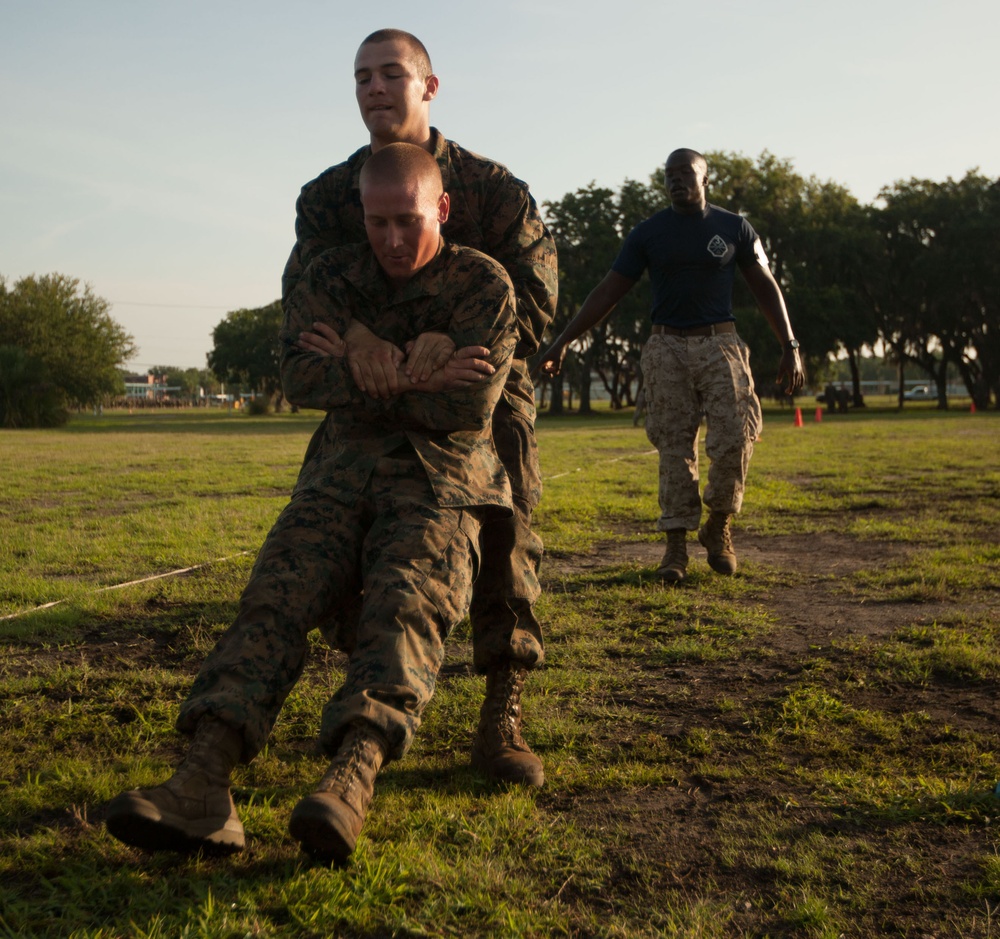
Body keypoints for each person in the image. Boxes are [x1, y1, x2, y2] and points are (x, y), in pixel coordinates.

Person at [105, 143, 518, 864]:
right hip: (340, 469)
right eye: (376, 221)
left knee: (406, 602)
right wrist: (404, 363)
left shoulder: (484, 283)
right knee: (275, 596)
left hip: (441, 477)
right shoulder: (332, 271)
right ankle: (203, 779)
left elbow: (470, 399)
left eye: (407, 221)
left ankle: (351, 777)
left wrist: (359, 355)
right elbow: (300, 371)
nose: (390, 239)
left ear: (442, 209)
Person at [281, 29, 557, 787]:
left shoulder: (492, 189)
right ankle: (367, 691)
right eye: (361, 76)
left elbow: (534, 298)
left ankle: (502, 710)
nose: (374, 88)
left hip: (478, 387)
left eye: (390, 74)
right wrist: (367, 337)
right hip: (365, 396)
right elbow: (306, 303)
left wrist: (450, 334)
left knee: (506, 535)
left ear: (428, 87)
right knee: (329, 535)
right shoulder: (329, 196)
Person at [537, 148, 805, 584]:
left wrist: (790, 344)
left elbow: (765, 286)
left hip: (721, 345)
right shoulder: (647, 234)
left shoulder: (734, 227)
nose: (676, 180)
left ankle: (718, 525)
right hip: (666, 349)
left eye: (686, 173)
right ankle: (675, 546)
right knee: (674, 448)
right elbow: (609, 291)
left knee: (737, 434)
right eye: (669, 175)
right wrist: (564, 340)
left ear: (705, 180)